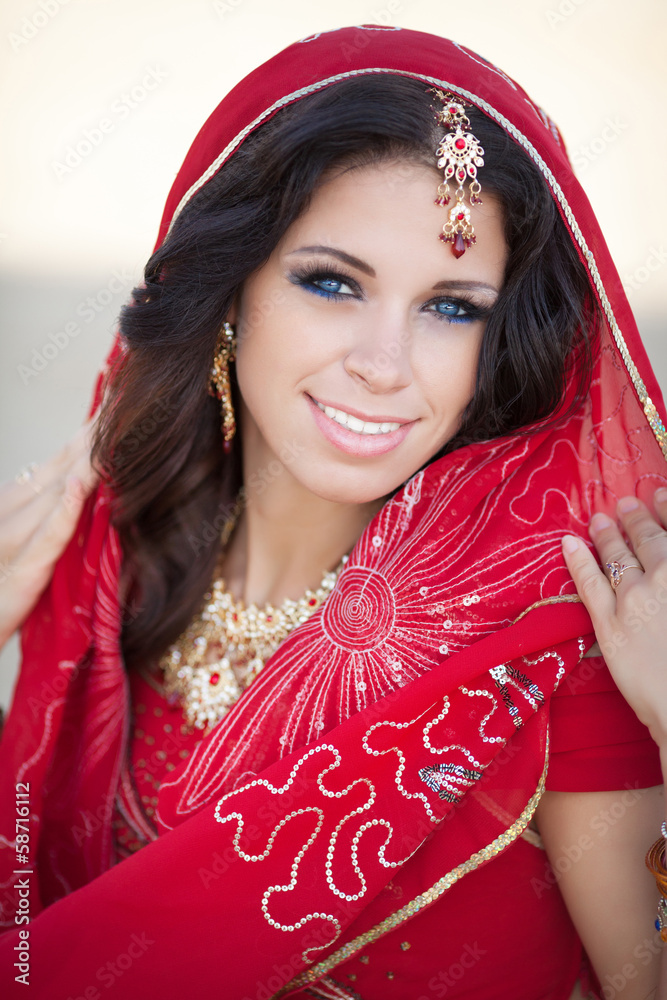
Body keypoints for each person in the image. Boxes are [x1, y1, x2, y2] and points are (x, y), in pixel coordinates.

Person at [1, 24, 666, 1000]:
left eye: (451, 306)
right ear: (231, 289)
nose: (385, 363)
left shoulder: (553, 639)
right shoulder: (112, 567)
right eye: (330, 282)